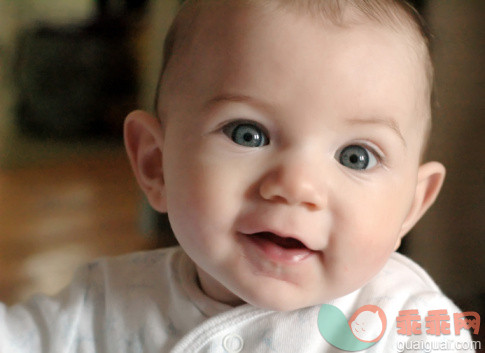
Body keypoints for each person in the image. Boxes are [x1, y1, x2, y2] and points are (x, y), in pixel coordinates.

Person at [1, 0, 477, 352]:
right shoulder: (103, 304)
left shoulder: (410, 325)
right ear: (154, 164)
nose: (296, 186)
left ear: (410, 207)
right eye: (248, 134)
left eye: (356, 157)